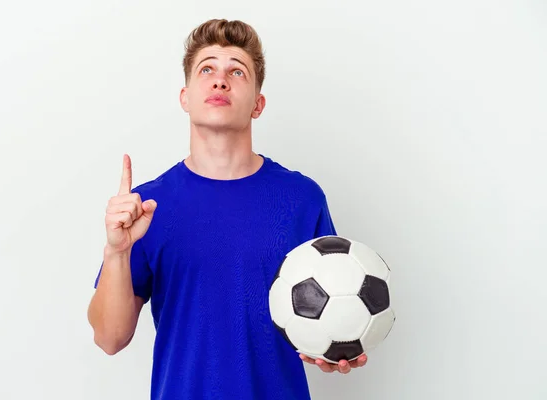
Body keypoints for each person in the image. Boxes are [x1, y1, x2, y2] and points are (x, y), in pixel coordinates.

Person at [87, 18, 367, 400]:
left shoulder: (302, 199)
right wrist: (117, 252)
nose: (220, 80)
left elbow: (329, 304)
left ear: (258, 104)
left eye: (237, 70)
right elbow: (108, 338)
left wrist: (338, 343)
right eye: (207, 69)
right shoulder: (146, 207)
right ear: (185, 96)